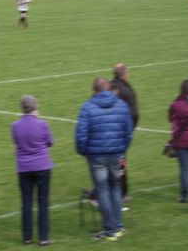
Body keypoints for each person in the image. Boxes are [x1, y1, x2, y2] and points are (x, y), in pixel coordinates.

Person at [76, 77, 133, 242]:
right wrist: (122, 148)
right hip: (116, 154)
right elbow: (128, 131)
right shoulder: (121, 105)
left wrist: (83, 151)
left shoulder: (87, 107)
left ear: (93, 90)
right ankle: (118, 226)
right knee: (115, 187)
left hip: (96, 156)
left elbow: (81, 134)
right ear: (108, 88)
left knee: (102, 190)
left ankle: (110, 230)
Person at [11, 95, 54, 246]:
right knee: (43, 201)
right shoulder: (42, 124)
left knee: (26, 202)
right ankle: (43, 237)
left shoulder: (15, 126)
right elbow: (50, 142)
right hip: (42, 166)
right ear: (35, 108)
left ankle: (27, 237)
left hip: (24, 168)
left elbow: (17, 142)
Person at [111, 64, 139, 201]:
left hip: (106, 133)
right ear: (125, 74)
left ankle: (105, 191)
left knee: (108, 163)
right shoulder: (128, 90)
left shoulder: (108, 87)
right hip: (121, 135)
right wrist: (130, 131)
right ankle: (122, 192)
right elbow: (134, 114)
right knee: (121, 163)